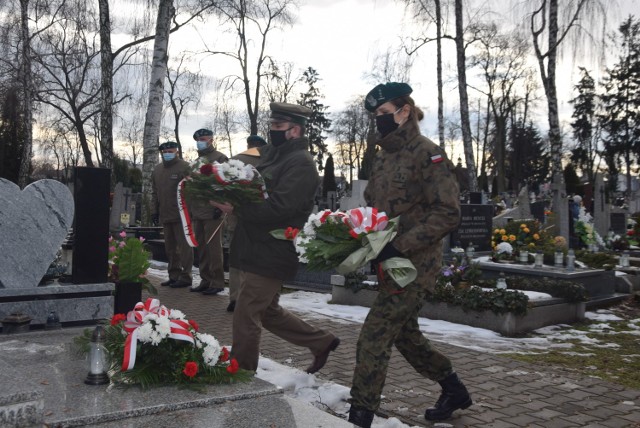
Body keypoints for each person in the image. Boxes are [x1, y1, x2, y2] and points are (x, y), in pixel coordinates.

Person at [347, 83, 472, 427]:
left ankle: (359, 416)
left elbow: (448, 212)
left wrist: (398, 246)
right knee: (404, 335)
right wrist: (367, 240)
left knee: (375, 333)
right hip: (390, 261)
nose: (379, 121)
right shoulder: (383, 156)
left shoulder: (427, 154)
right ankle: (453, 388)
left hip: (416, 265)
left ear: (404, 111)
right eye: (376, 116)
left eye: (385, 114)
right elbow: (375, 206)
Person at [212, 102, 340, 373]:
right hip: (253, 244)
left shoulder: (301, 163)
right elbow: (252, 186)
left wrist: (237, 208)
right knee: (267, 312)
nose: (272, 131)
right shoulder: (272, 155)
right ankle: (321, 342)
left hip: (273, 247)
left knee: (246, 312)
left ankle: (240, 373)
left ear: (295, 130)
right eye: (271, 126)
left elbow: (281, 207)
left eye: (278, 127)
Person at [225, 134, 267, 312]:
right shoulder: (268, 161)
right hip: (259, 218)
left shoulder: (235, 160)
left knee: (236, 258)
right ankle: (251, 298)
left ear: (248, 144)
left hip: (235, 216)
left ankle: (235, 297)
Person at [189, 129, 229, 295]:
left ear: (211, 140)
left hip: (213, 211)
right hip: (198, 211)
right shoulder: (197, 161)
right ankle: (205, 280)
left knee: (214, 249)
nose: (200, 141)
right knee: (202, 249)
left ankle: (217, 281)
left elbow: (227, 183)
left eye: (203, 139)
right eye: (198, 139)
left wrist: (219, 207)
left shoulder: (220, 158)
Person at [151, 141, 194, 288]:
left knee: (184, 247)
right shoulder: (157, 170)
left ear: (176, 150)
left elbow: (193, 190)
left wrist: (191, 211)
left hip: (182, 215)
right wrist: (154, 211)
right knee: (170, 247)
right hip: (165, 213)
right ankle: (173, 275)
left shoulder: (185, 167)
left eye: (171, 150)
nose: (168, 152)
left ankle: (186, 276)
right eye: (165, 150)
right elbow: (154, 192)